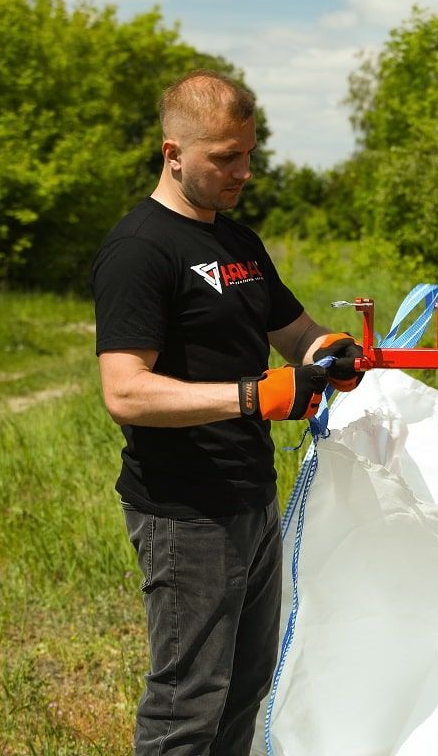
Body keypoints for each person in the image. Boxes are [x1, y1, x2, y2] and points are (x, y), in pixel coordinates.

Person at [91, 68, 362, 755]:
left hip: (250, 498)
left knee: (245, 687)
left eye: (248, 153)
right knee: (188, 702)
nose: (243, 171)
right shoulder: (140, 250)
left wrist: (330, 351)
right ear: (172, 152)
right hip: (186, 513)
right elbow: (124, 390)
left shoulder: (237, 242)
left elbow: (295, 334)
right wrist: (255, 395)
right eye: (224, 158)